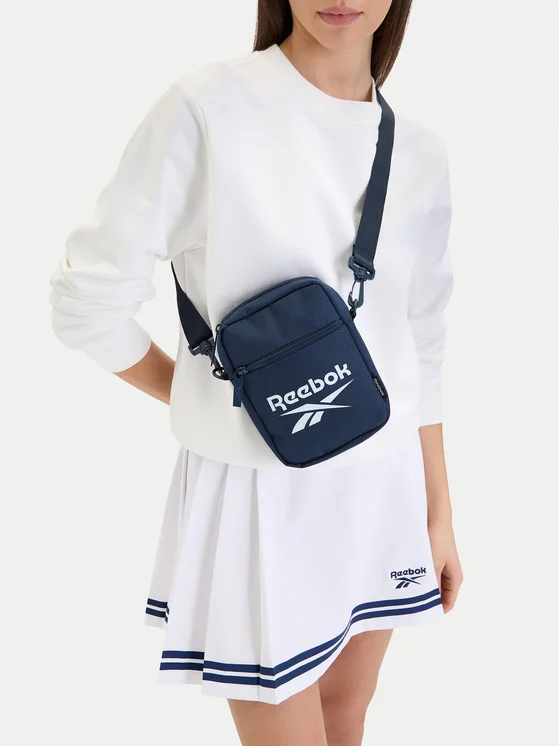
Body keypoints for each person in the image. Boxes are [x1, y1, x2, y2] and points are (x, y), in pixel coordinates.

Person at [49, 1, 463, 744]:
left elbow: (422, 340)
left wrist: (439, 511)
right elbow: (87, 301)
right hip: (260, 495)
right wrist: (197, 394)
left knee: (346, 717)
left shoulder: (419, 151)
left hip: (387, 481)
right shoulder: (208, 108)